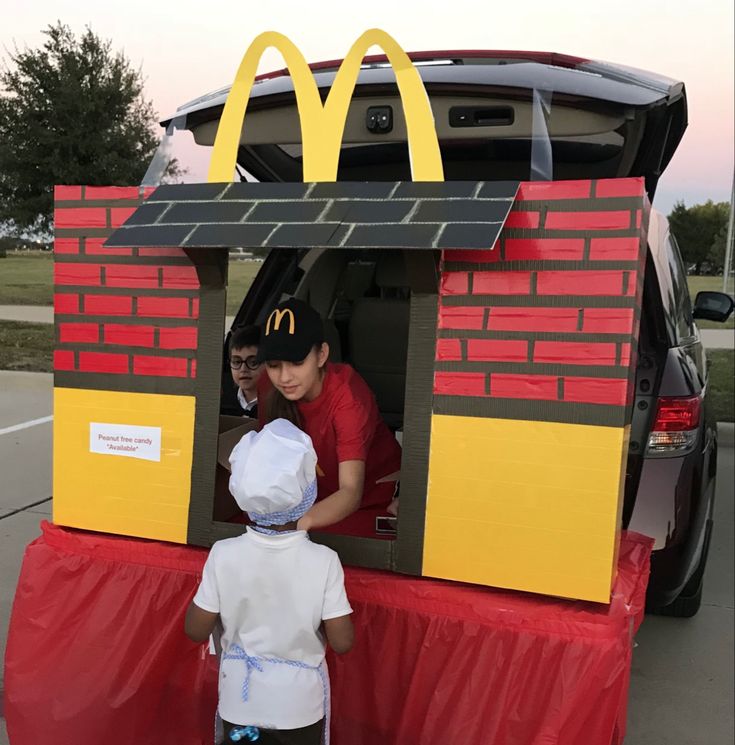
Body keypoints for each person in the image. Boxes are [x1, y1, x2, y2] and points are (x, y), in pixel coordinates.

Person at [185, 419, 354, 745]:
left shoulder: (223, 554)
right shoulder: (324, 561)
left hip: (240, 703)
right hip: (299, 709)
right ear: (307, 493)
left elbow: (195, 629)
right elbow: (343, 641)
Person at [257, 298, 402, 531]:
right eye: (274, 365)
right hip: (307, 501)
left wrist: (291, 528)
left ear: (322, 354)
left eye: (297, 362)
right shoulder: (268, 386)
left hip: (372, 502)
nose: (284, 377)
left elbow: (350, 491)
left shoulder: (348, 398)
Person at [228, 325, 263, 418]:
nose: (243, 369)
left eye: (253, 362)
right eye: (237, 362)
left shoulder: (279, 406)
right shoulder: (221, 400)